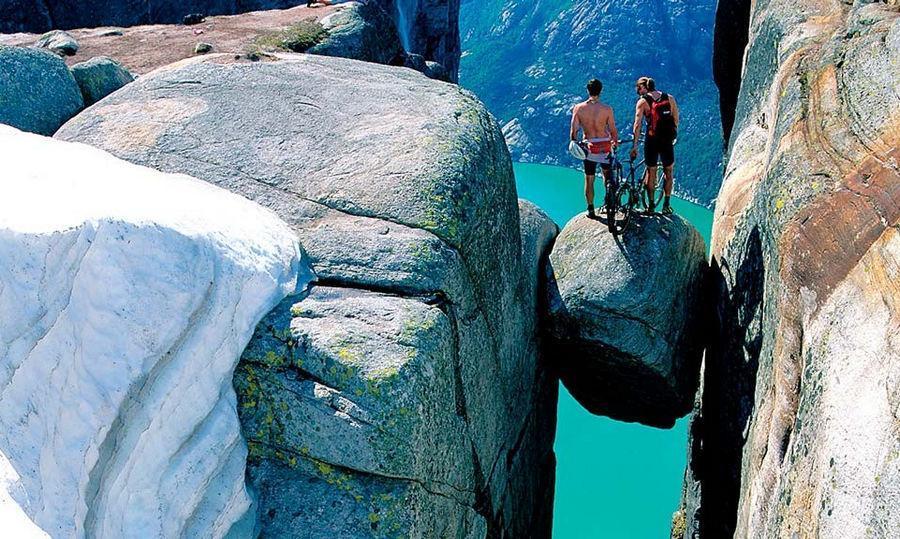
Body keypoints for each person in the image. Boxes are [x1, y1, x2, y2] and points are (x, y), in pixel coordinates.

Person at [630, 76, 679, 214]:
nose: (638, 91)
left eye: (638, 88)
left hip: (652, 140)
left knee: (651, 172)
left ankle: (651, 205)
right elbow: (675, 119)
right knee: (668, 171)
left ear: (644, 87)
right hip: (667, 141)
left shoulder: (643, 102)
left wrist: (634, 146)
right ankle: (666, 204)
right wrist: (671, 136)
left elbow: (637, 125)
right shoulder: (669, 98)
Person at [570, 78, 618, 218]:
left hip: (589, 148)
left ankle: (590, 209)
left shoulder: (579, 108)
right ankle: (609, 201)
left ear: (587, 90)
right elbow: (613, 130)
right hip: (605, 147)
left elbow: (574, 131)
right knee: (607, 176)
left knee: (589, 179)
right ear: (600, 91)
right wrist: (615, 142)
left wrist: (575, 143)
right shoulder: (607, 109)